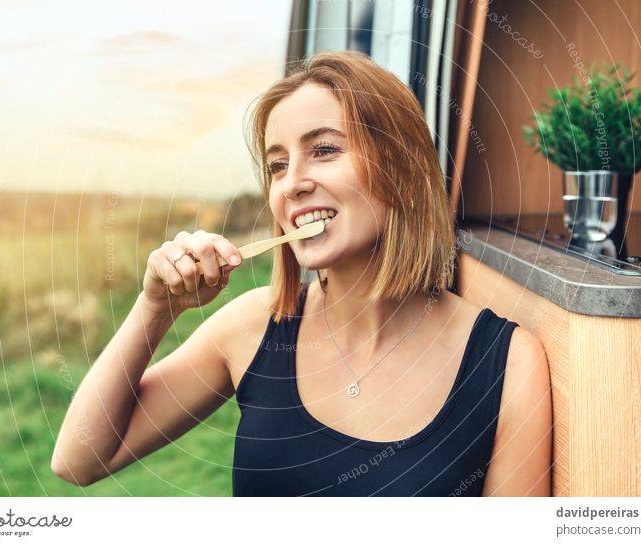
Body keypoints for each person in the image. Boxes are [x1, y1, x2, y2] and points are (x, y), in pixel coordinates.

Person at [51, 50, 552, 496]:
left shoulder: (508, 365)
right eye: (276, 165)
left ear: (401, 165)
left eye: (325, 149)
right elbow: (79, 459)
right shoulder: (253, 328)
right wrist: (155, 308)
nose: (291, 185)